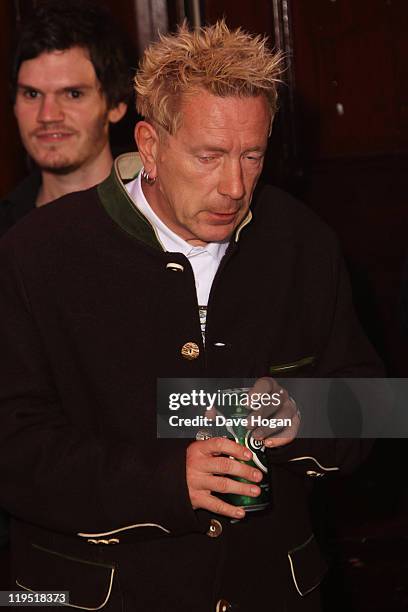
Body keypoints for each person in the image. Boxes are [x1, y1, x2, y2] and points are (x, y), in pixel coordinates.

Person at [0, 21, 383, 611]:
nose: (234, 185)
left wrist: (304, 412)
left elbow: (376, 404)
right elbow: (15, 446)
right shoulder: (36, 254)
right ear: (150, 146)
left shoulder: (303, 242)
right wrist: (163, 482)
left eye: (251, 155)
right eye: (209, 156)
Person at [0, 0, 129, 236]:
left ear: (116, 104)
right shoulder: (8, 234)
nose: (47, 115)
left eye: (73, 94)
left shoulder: (164, 217)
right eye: (32, 94)